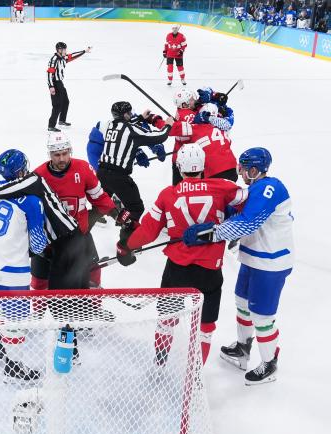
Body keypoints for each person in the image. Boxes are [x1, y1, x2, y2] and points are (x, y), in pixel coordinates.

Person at [116, 144, 247, 365]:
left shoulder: (168, 194)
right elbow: (250, 201)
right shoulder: (224, 187)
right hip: (209, 270)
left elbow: (148, 231)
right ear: (204, 166)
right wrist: (231, 215)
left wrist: (127, 245)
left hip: (177, 269)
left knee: (166, 320)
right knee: (205, 328)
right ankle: (196, 375)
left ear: (179, 167)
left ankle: (160, 363)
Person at [183, 147, 293, 385]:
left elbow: (247, 224)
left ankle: (269, 364)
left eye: (243, 167)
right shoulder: (255, 188)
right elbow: (238, 209)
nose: (240, 171)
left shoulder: (269, 189)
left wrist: (208, 234)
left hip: (271, 263)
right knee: (242, 304)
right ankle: (243, 348)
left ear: (254, 169)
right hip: (252, 258)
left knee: (262, 316)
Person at [0, 131, 123, 290]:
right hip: (48, 242)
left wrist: (117, 215)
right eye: (57, 155)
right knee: (38, 283)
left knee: (92, 274)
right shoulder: (38, 174)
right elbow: (20, 193)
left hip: (79, 236)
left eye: (65, 153)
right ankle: (39, 315)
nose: (62, 158)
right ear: (50, 154)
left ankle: (92, 310)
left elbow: (99, 197)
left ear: (70, 151)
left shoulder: (83, 168)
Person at [0, 149, 48, 383]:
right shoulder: (31, 200)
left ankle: (2, 345)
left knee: (0, 307)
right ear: (21, 171)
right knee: (18, 320)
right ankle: (13, 367)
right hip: (13, 270)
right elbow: (38, 244)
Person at [87, 101, 173, 235]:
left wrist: (140, 118)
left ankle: (80, 234)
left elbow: (126, 126)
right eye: (129, 113)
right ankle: (125, 241)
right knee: (136, 208)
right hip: (118, 177)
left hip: (102, 173)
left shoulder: (109, 124)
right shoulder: (131, 130)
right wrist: (168, 125)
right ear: (125, 114)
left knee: (100, 206)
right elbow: (159, 137)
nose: (131, 114)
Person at [47, 42, 92, 132]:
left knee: (65, 102)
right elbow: (49, 73)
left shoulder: (63, 58)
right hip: (55, 84)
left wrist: (84, 51)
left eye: (65, 49)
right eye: (63, 49)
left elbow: (72, 56)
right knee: (57, 105)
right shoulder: (54, 59)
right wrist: (51, 86)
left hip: (60, 83)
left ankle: (62, 120)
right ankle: (51, 126)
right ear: (59, 50)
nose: (65, 51)